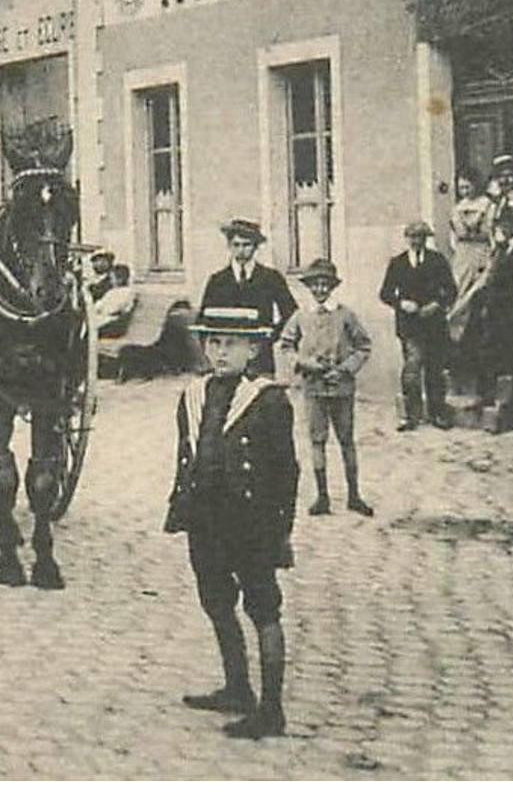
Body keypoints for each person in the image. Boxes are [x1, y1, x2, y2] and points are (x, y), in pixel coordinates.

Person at [165, 305, 298, 740]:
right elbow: (186, 455)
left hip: (251, 522)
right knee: (216, 601)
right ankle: (238, 688)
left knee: (262, 608)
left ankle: (271, 709)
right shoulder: (193, 394)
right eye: (213, 343)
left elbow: (286, 474)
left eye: (232, 344)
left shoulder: (269, 400)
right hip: (205, 517)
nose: (221, 353)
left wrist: (281, 533)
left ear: (253, 348)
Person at [277, 259, 373, 517]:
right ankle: (322, 497)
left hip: (342, 388)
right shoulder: (301, 316)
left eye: (325, 284)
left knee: (346, 440)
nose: (320, 289)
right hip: (314, 388)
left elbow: (364, 346)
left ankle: (354, 495)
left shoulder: (345, 315)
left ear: (332, 286)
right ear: (309, 287)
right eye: (315, 284)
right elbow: (285, 345)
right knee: (317, 440)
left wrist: (345, 368)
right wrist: (304, 363)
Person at [461, 205, 513, 430]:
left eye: (503, 224)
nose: (501, 229)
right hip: (497, 311)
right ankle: (488, 398)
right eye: (500, 225)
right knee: (489, 352)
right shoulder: (503, 247)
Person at [378, 221, 457, 431]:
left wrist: (437, 304)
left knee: (434, 370)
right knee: (412, 369)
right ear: (407, 238)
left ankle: (437, 413)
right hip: (409, 326)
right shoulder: (397, 263)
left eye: (420, 236)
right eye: (412, 237)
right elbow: (385, 293)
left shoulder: (437, 261)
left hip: (434, 325)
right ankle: (411, 416)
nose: (416, 241)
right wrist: (401, 303)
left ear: (426, 239)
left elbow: (451, 290)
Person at [199, 218, 298, 379]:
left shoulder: (270, 277)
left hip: (260, 360)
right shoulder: (217, 280)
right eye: (236, 245)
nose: (241, 250)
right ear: (229, 246)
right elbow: (203, 320)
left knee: (262, 400)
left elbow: (292, 315)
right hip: (226, 361)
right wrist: (214, 353)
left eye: (247, 245)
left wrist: (270, 335)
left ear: (256, 247)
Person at [448, 171, 494, 304]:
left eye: (467, 187)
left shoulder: (487, 204)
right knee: (459, 285)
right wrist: (457, 248)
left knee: (480, 285)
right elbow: (453, 233)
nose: (465, 191)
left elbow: (490, 229)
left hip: (481, 250)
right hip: (463, 252)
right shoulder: (458, 207)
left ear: (475, 185)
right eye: (461, 188)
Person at [93, 264, 139, 339]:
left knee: (94, 327)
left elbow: (120, 308)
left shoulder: (127, 292)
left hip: (115, 320)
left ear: (120, 279)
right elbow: (100, 304)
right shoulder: (112, 292)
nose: (111, 281)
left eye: (112, 278)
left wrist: (102, 308)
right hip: (104, 316)